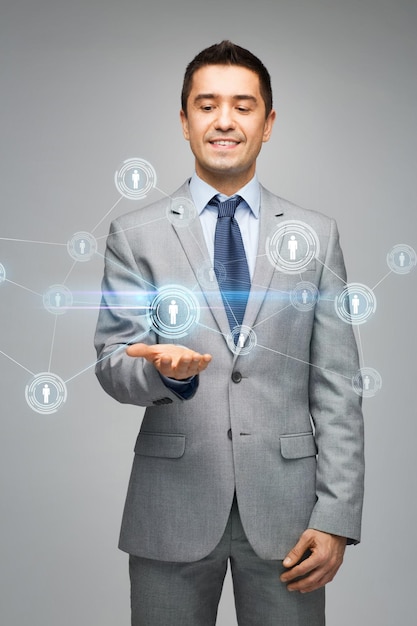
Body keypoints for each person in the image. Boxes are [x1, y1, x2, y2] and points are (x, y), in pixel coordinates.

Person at [94, 40, 364, 626]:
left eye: (243, 106)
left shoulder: (316, 235)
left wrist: (337, 515)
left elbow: (339, 384)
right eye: (206, 104)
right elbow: (113, 363)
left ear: (268, 124)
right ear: (185, 121)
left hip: (291, 516)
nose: (224, 121)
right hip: (171, 506)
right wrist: (161, 372)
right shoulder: (134, 234)